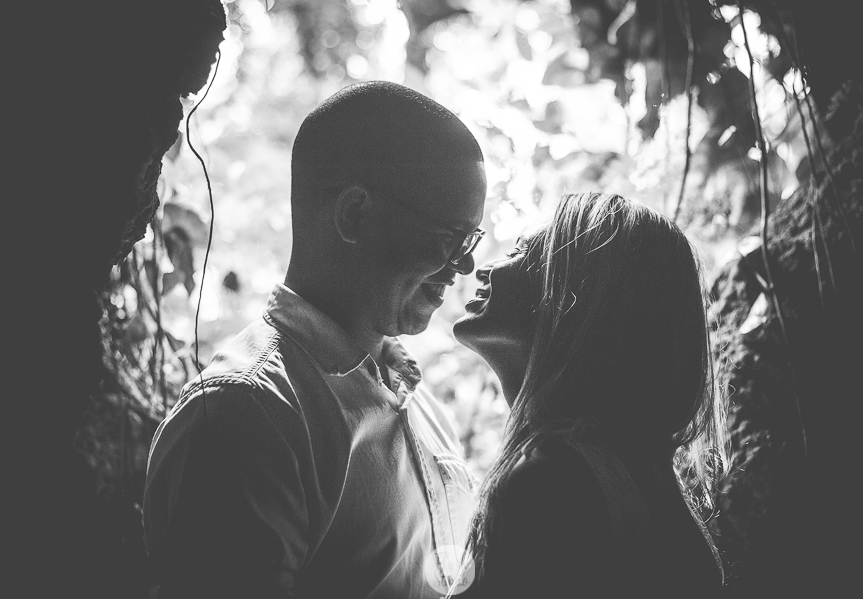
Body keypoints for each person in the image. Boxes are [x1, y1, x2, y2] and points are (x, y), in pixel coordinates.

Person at [142, 81, 487, 598]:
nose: (466, 265)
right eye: (451, 238)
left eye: (471, 239)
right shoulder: (246, 417)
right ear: (354, 215)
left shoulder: (421, 405)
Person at [451, 192, 729, 597]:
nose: (483, 268)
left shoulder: (548, 486)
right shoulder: (639, 476)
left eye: (519, 251)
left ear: (571, 299)